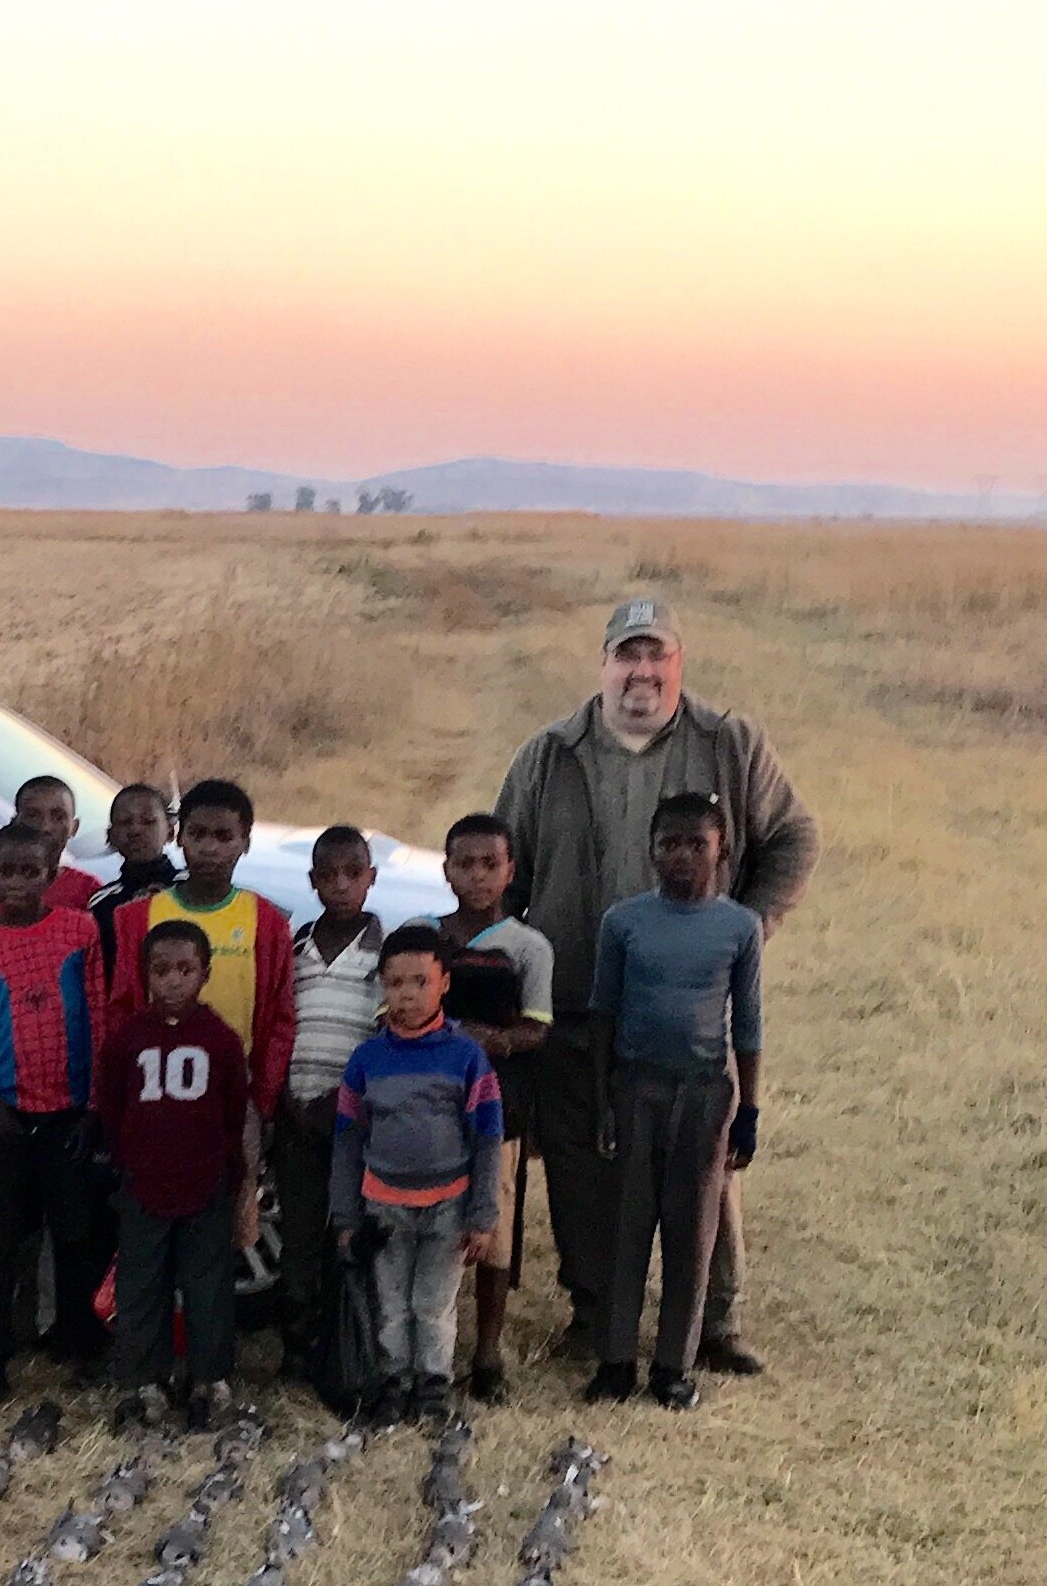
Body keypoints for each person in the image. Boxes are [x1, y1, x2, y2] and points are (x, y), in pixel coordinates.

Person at [495, 596, 816, 1371]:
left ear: (679, 664)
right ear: (603, 663)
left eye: (657, 656)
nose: (641, 671)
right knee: (581, 1161)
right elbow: (507, 866)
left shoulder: (729, 744)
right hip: (577, 1000)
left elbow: (794, 837)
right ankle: (594, 1315)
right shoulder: (550, 754)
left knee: (704, 1166)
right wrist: (512, 974)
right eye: (626, 655)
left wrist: (746, 924)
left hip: (690, 1008)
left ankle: (714, 1325)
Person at [585, 794, 762, 1411]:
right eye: (669, 844)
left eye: (697, 844)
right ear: (651, 851)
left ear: (721, 852)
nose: (682, 856)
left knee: (692, 1232)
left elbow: (749, 1025)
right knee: (627, 1229)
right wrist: (604, 1096)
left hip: (704, 1091)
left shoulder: (739, 927)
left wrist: (750, 1109)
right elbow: (602, 1012)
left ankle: (674, 1367)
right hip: (636, 1086)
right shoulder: (624, 922)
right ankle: (615, 1362)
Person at [0, 819, 105, 1393]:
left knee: (75, 1240)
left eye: (29, 871)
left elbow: (97, 1016)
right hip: (2, 1120)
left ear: (51, 875)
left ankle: (81, 1348)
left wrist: (92, 1106)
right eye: (5, 872)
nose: (16, 883)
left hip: (67, 1114)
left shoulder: (79, 932)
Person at [329, 923, 504, 1418]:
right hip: (384, 1205)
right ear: (382, 986)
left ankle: (432, 1386)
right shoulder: (366, 1059)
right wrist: (344, 1215)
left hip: (448, 1203)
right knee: (390, 1302)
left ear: (444, 982)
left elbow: (487, 1138)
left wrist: (483, 1214)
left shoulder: (467, 1058)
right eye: (395, 983)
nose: (406, 995)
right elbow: (348, 1139)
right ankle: (393, 1382)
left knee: (433, 1303)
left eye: (419, 982)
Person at [94, 917, 251, 1428]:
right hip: (144, 1183)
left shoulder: (221, 1041)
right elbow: (112, 1108)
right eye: (161, 970)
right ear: (144, 975)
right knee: (141, 1284)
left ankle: (210, 1381)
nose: (174, 981)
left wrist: (233, 1175)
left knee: (208, 1285)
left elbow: (233, 1114)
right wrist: (129, 1161)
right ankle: (143, 1383)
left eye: (186, 969)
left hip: (205, 1183)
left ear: (205, 974)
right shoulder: (126, 1041)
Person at [432, 811, 554, 1404]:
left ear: (510, 871)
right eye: (465, 863)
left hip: (494, 1108)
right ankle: (431, 1349)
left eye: (490, 864)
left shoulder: (528, 946)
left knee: (494, 1227)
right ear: (446, 868)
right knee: (431, 1221)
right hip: (429, 1107)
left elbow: (539, 1029)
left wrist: (494, 1039)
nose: (477, 876)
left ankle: (487, 1354)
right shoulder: (426, 936)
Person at [99, 778, 299, 1124]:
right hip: (153, 1093)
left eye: (224, 837)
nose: (209, 848)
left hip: (234, 1098)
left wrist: (263, 1100)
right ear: (179, 836)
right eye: (198, 834)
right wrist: (123, 1091)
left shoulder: (266, 922)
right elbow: (122, 1009)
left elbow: (279, 1020)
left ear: (245, 843)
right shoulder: (136, 917)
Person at [276, 825, 384, 1386]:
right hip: (296, 1116)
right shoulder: (295, 947)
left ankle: (348, 1352)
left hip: (354, 1120)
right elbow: (279, 1026)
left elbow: (386, 1039)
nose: (340, 885)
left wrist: (343, 1103)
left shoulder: (385, 953)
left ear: (371, 877)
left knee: (352, 1234)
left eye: (352, 873)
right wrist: (288, 1102)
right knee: (298, 1237)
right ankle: (296, 1349)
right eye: (328, 875)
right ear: (313, 881)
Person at [0, 772, 99, 930]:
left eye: (58, 817)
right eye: (32, 815)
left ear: (74, 827)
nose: (45, 827)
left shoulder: (89, 891)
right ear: (15, 821)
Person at [86, 782, 179, 973]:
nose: (136, 830)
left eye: (148, 821)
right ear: (110, 837)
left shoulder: (190, 888)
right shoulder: (102, 904)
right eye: (125, 822)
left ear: (170, 831)